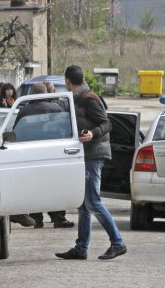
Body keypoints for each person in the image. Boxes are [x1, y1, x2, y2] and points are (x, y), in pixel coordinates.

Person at [55, 65, 127, 260]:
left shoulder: (90, 99)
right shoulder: (76, 99)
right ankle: (81, 248)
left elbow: (107, 123)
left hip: (94, 155)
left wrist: (92, 133)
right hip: (85, 155)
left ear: (67, 81)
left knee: (93, 202)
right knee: (83, 205)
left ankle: (118, 243)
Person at [14, 83, 75, 229]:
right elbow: (67, 130)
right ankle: (59, 218)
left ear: (32, 94)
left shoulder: (24, 111)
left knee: (34, 187)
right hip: (54, 153)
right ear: (46, 93)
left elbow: (16, 132)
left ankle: (37, 219)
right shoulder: (56, 109)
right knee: (55, 186)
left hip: (30, 155)